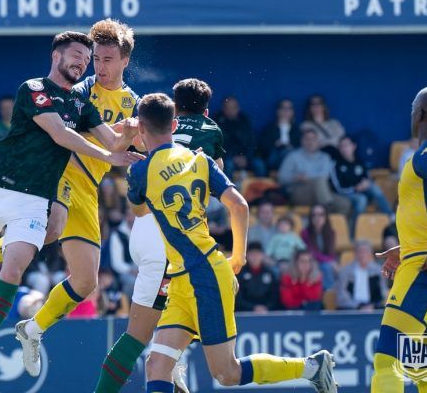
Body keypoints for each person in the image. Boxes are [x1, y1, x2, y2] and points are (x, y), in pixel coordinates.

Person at [0, 30, 142, 384]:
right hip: (58, 177)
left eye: (105, 60)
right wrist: (114, 147)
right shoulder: (77, 89)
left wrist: (134, 132)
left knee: (85, 281)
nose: (97, 66)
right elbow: (70, 136)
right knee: (48, 230)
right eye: (94, 58)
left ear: (125, 61)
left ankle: (32, 329)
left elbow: (121, 142)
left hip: (86, 189)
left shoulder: (132, 102)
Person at [128, 93, 335, 392]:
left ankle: (311, 367)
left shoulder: (140, 171)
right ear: (174, 125)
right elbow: (239, 206)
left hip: (202, 275)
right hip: (189, 274)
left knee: (226, 373)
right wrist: (237, 258)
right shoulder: (201, 159)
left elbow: (139, 209)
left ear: (141, 130)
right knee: (157, 365)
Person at [95, 77, 225, 393]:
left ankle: (172, 360)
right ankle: (172, 361)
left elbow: (118, 148)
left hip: (143, 232)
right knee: (141, 335)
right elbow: (216, 185)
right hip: (169, 242)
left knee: (164, 321)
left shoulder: (154, 128)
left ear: (174, 110)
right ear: (206, 111)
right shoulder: (211, 133)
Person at [372, 85, 427, 391]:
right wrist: (410, 246)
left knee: (386, 361)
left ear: (418, 115)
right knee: (421, 368)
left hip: (425, 272)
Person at [278, 129, 351, 215]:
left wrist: (307, 177)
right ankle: (326, 213)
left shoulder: (325, 157)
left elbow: (324, 175)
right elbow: (281, 178)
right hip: (300, 192)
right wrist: (295, 178)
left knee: (344, 204)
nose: (310, 142)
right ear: (302, 141)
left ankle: (330, 220)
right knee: (320, 182)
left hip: (321, 192)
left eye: (313, 139)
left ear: (318, 142)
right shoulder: (292, 156)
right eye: (307, 139)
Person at [329, 136, 393, 222]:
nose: (344, 149)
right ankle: (355, 230)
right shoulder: (336, 165)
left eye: (346, 145)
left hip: (362, 191)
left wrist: (366, 183)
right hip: (346, 194)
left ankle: (391, 216)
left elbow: (368, 178)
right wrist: (354, 189)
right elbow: (338, 188)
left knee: (373, 187)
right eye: (341, 146)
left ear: (353, 146)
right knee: (361, 200)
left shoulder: (360, 162)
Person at [215, 96, 266, 177]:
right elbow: (217, 145)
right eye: (227, 107)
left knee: (259, 164)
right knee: (228, 165)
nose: (230, 111)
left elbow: (252, 142)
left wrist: (246, 157)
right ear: (223, 108)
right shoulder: (216, 121)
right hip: (228, 157)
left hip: (246, 157)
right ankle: (228, 189)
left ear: (238, 108)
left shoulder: (244, 120)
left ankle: (259, 188)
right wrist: (233, 157)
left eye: (233, 107)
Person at [335, 240, 387, 310]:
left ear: (370, 254)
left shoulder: (378, 271)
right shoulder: (345, 271)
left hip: (373, 309)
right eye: (360, 252)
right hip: (351, 309)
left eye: (365, 252)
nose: (363, 255)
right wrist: (358, 306)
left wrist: (372, 306)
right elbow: (342, 295)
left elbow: (382, 293)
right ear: (355, 254)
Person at [301, 204, 338, 290]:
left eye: (321, 214)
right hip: (311, 262)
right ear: (311, 218)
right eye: (314, 215)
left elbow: (331, 252)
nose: (318, 218)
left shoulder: (331, 232)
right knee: (326, 267)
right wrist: (330, 262)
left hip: (326, 262)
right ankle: (330, 293)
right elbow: (312, 252)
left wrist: (332, 262)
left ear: (326, 217)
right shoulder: (305, 233)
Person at [236, 242, 280, 313]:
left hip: (267, 312)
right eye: (252, 254)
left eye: (257, 254)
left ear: (262, 255)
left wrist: (267, 307)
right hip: (245, 313)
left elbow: (275, 295)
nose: (255, 257)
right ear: (246, 255)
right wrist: (253, 308)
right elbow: (238, 297)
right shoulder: (239, 273)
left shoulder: (270, 273)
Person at [260, 99, 301, 171]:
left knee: (289, 153)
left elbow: (300, 146)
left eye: (289, 108)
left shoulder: (296, 129)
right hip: (274, 157)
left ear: (292, 112)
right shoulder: (270, 128)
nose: (286, 111)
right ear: (278, 111)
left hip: (291, 157)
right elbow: (263, 147)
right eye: (283, 108)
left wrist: (290, 146)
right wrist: (275, 144)